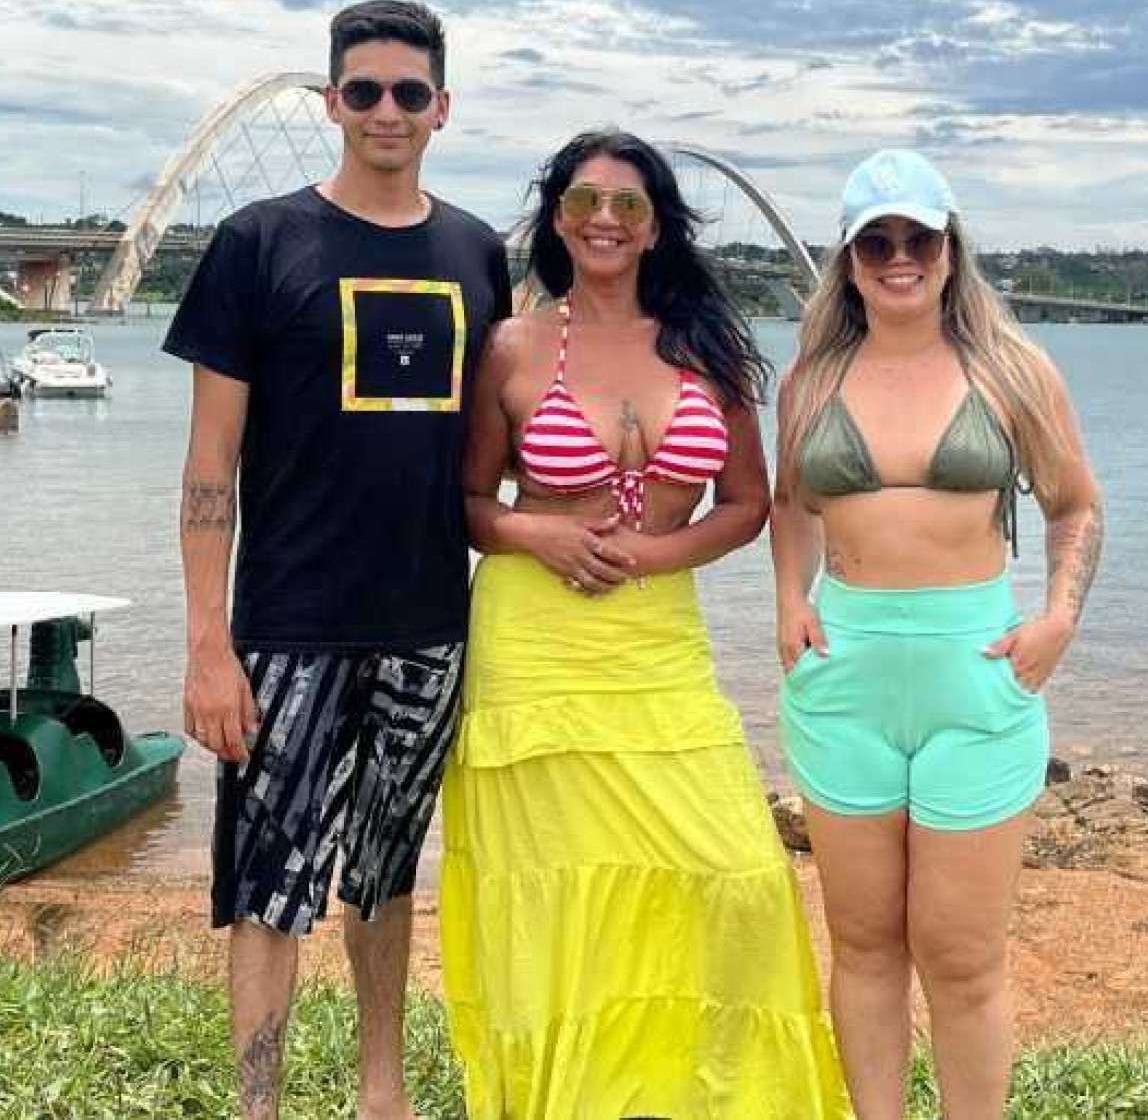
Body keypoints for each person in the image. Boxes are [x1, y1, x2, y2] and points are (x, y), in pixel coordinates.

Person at [442, 130, 850, 1117]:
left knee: (737, 875)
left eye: (627, 204)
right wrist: (539, 533)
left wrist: (655, 556)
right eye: (584, 201)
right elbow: (467, 504)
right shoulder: (511, 345)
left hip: (660, 645)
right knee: (557, 896)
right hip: (534, 653)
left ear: (656, 225)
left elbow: (746, 504)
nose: (605, 220)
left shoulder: (704, 345)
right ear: (556, 219)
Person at [166, 0, 510, 1120]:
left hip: (428, 623)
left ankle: (382, 1094)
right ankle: (257, 1104)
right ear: (330, 103)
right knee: (267, 885)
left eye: (409, 92)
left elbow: (499, 442)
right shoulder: (258, 243)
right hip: (287, 627)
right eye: (363, 90)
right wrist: (208, 644)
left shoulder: (477, 254)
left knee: (386, 872)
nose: (385, 111)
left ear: (442, 108)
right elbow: (209, 467)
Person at [770, 149, 1104, 1120]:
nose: (899, 257)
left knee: (962, 957)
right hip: (845, 684)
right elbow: (790, 503)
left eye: (919, 236)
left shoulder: (1014, 371)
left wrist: (1058, 620)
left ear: (951, 247)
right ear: (849, 259)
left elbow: (1075, 505)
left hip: (976, 681)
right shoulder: (811, 381)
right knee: (864, 945)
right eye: (876, 241)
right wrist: (788, 597)